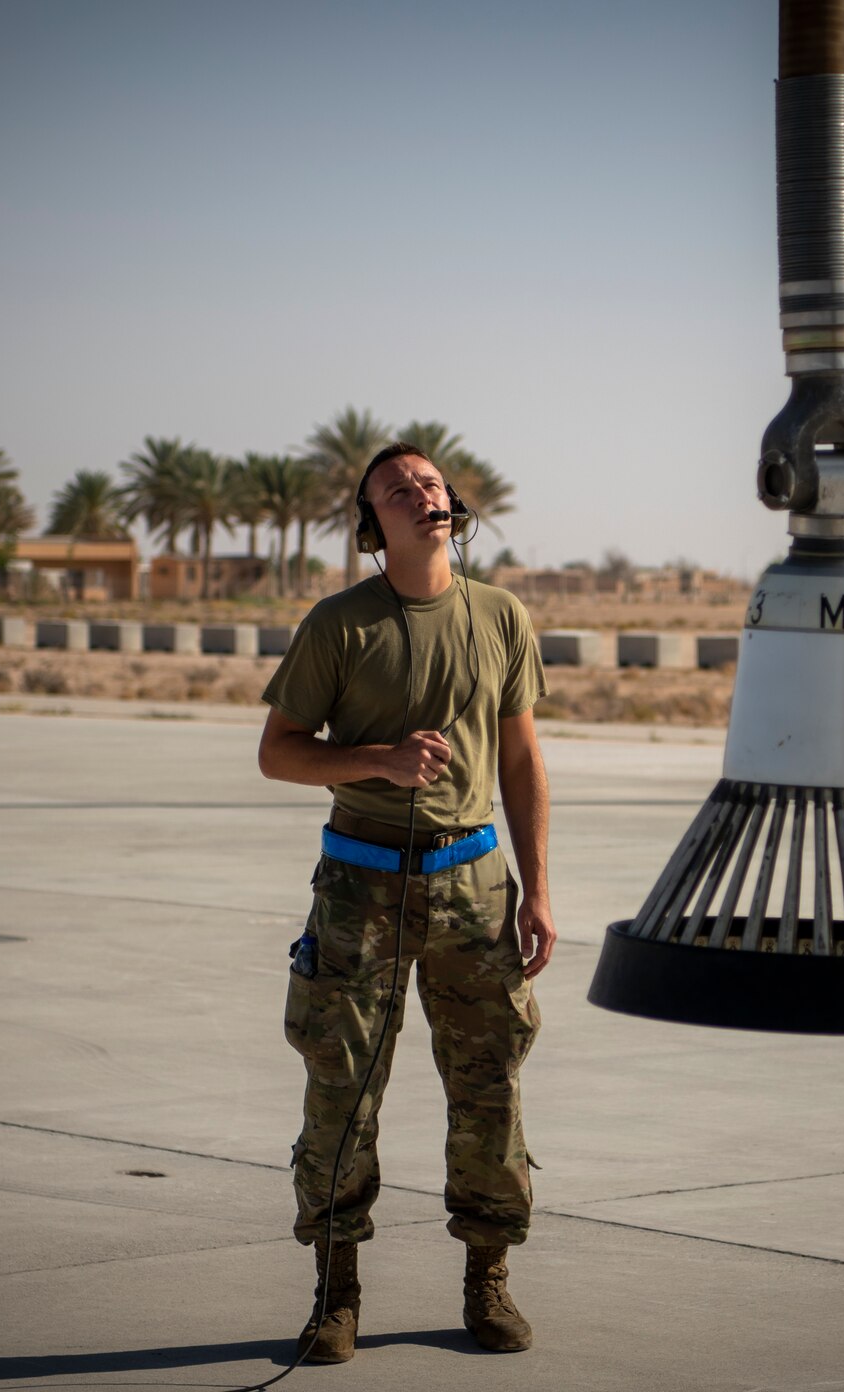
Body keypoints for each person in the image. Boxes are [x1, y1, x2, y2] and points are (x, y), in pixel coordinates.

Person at [257, 442, 556, 1363]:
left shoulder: (500, 615)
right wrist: (375, 762)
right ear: (372, 523)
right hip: (362, 885)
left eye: (429, 483)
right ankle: (336, 1293)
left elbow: (519, 759)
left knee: (489, 1088)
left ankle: (488, 1279)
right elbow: (279, 750)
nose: (422, 493)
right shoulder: (339, 625)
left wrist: (538, 886)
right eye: (398, 489)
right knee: (342, 1090)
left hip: (474, 884)